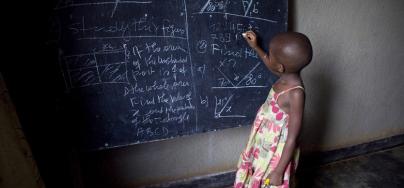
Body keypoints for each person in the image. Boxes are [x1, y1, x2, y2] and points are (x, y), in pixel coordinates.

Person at [234, 31, 312, 188]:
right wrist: (256, 47)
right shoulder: (284, 76)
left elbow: (292, 137)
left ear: (280, 67)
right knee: (257, 172)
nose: (268, 58)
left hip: (276, 151)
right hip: (264, 141)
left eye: (270, 55)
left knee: (268, 180)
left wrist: (279, 171)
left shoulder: (295, 93)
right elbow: (272, 65)